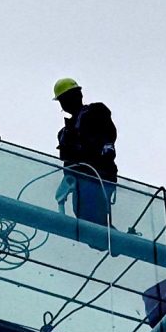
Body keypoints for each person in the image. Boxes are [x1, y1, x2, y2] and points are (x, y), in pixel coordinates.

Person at [52, 77, 118, 239]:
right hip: (80, 180)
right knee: (83, 217)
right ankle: (107, 241)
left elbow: (107, 131)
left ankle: (113, 241)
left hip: (98, 176)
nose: (66, 103)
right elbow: (67, 160)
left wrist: (107, 147)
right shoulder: (64, 132)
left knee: (94, 217)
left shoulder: (95, 112)